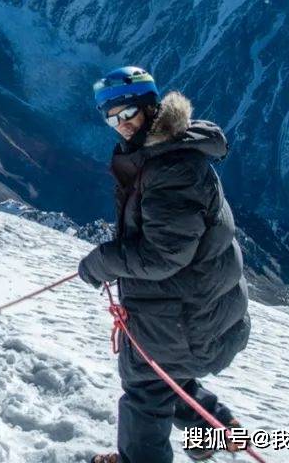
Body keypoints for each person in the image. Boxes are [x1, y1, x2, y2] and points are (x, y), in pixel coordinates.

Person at [78, 67, 251, 463]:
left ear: (150, 107)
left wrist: (104, 261)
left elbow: (165, 255)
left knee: (145, 387)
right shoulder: (166, 153)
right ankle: (214, 429)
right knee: (161, 374)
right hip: (191, 309)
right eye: (111, 117)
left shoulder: (171, 170)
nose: (119, 125)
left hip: (187, 317)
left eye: (126, 113)